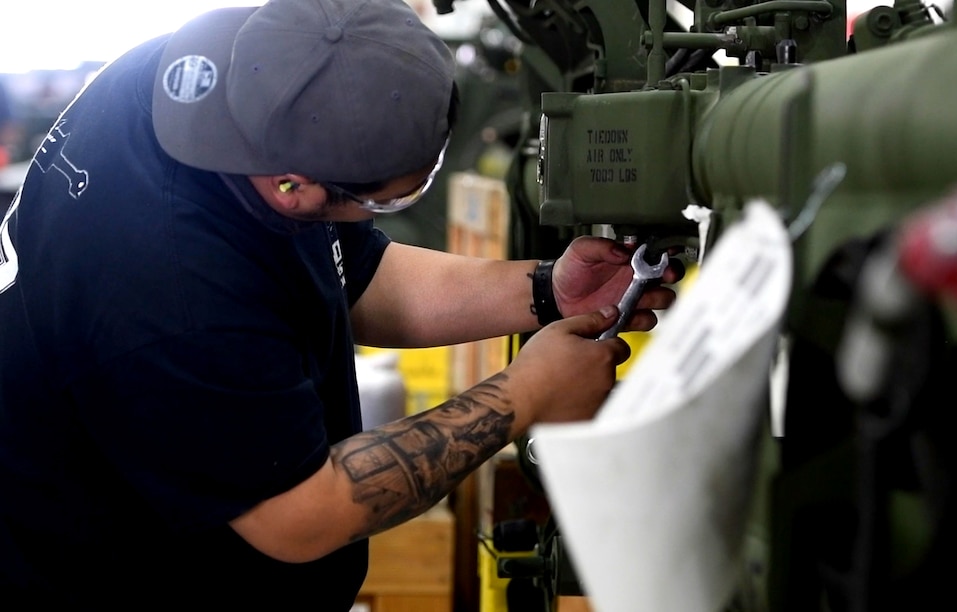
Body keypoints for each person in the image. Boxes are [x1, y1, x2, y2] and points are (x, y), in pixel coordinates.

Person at [0, 0, 682, 609]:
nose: (382, 216)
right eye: (387, 200)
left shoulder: (225, 75)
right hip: (108, 576)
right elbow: (301, 517)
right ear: (293, 189)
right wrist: (523, 396)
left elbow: (353, 274)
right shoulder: (175, 291)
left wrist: (543, 291)